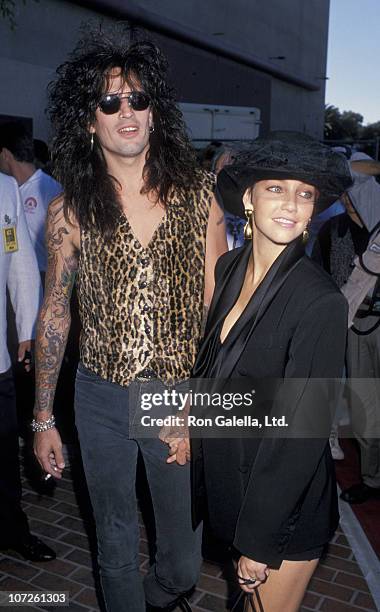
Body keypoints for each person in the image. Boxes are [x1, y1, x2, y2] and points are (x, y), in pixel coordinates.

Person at [33, 28, 226, 612]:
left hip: (176, 398)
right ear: (89, 121)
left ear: (155, 112)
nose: (126, 112)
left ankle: (159, 598)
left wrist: (199, 404)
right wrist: (43, 416)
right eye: (110, 102)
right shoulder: (68, 211)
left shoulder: (199, 196)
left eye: (138, 99)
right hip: (99, 399)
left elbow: (221, 310)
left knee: (182, 560)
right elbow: (55, 312)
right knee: (113, 539)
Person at [182, 133, 352, 611]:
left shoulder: (320, 301)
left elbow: (304, 432)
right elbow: (215, 362)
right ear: (249, 200)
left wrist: (259, 540)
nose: (291, 204)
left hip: (281, 508)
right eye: (276, 188)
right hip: (234, 487)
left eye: (304, 193)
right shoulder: (231, 265)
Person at [314, 160, 380, 504]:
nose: (349, 199)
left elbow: (363, 166)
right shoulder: (332, 230)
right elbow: (318, 277)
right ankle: (372, 479)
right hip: (354, 327)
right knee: (366, 403)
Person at [0, 172, 55, 562]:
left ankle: (11, 530)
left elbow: (17, 258)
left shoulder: (5, 188)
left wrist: (27, 330)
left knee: (3, 453)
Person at [0, 122, 62, 279]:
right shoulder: (7, 190)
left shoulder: (51, 190)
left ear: (5, 155)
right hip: (10, 277)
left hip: (43, 278)